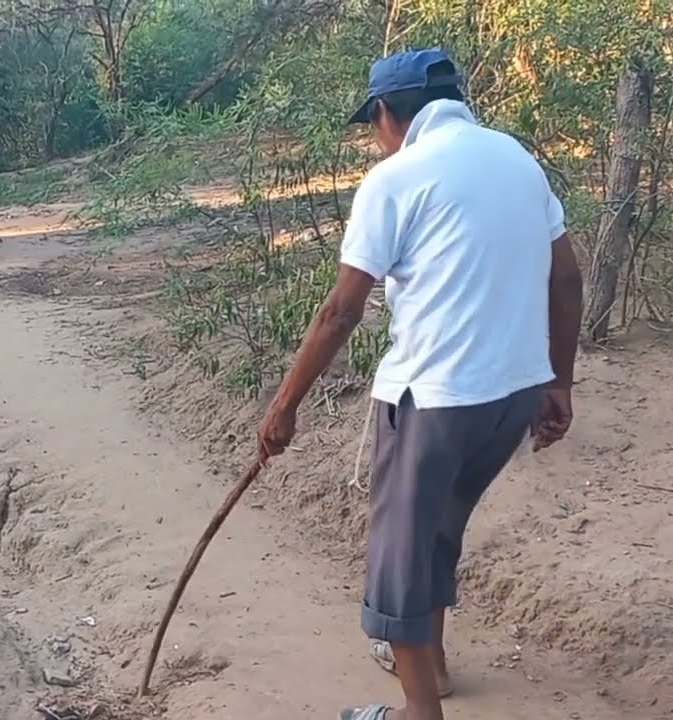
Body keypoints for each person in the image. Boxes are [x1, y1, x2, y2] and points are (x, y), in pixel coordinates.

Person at [255, 48, 583, 720]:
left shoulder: (396, 178)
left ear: (386, 113)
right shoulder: (518, 159)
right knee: (439, 530)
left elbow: (340, 311)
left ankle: (418, 712)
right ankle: (431, 669)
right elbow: (568, 277)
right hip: (513, 396)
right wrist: (560, 382)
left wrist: (284, 407)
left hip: (435, 401)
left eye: (374, 123)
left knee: (400, 558)